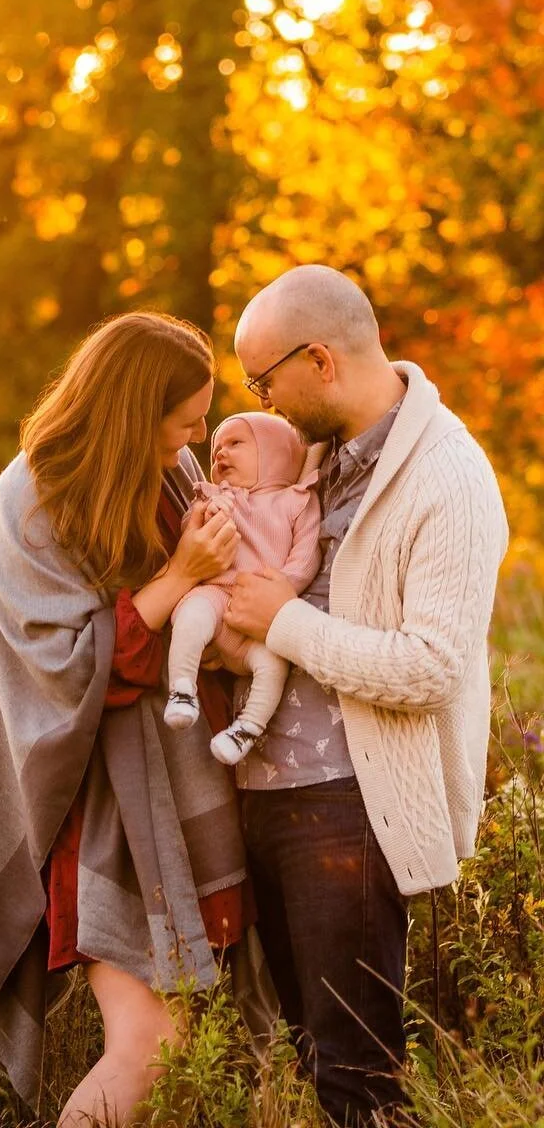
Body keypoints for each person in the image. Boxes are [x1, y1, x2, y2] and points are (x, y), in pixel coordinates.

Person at [0, 312, 268, 1127]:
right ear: (136, 411)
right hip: (106, 817)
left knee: (192, 1049)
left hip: (188, 794)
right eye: (186, 420)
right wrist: (181, 574)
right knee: (150, 1047)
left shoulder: (163, 470)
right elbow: (65, 671)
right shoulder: (31, 498)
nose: (198, 436)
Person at [223, 264, 509, 1127]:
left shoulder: (447, 478)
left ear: (317, 360)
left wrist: (282, 623)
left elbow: (430, 667)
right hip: (264, 796)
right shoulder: (317, 459)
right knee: (307, 1051)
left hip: (351, 808)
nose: (261, 403)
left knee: (358, 1078)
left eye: (260, 382)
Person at [162, 411, 322, 766]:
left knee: (273, 665)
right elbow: (191, 535)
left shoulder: (296, 501)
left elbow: (306, 555)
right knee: (190, 614)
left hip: (261, 617)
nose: (220, 453)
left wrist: (282, 590)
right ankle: (182, 690)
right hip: (218, 595)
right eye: (217, 449)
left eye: (235, 444)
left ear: (276, 452)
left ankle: (246, 729)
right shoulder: (215, 497)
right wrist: (205, 512)